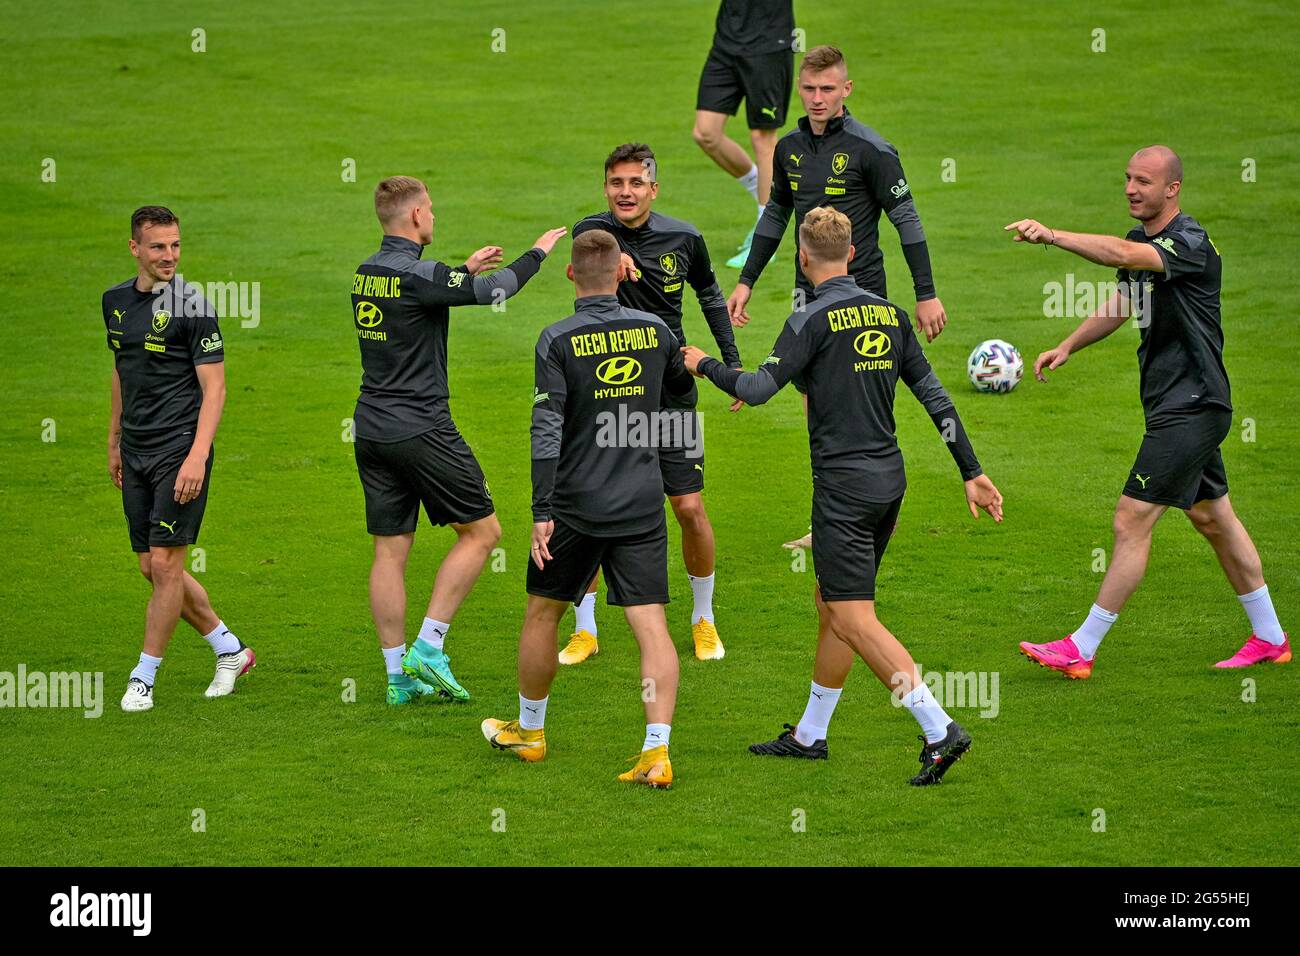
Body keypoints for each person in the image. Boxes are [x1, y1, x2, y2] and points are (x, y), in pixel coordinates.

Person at [683, 206, 1004, 785]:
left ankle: (939, 729)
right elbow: (936, 399)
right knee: (831, 603)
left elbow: (757, 389)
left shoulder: (809, 319)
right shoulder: (892, 316)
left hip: (843, 490)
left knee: (854, 617)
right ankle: (810, 734)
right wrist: (971, 471)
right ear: (852, 253)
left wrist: (703, 363)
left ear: (803, 259)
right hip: (888, 483)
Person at [1011, 146, 1289, 677]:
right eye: (1127, 179)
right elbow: (1126, 300)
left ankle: (1081, 647)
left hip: (1194, 404)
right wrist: (1070, 344)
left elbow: (1118, 256)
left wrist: (1051, 235)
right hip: (1175, 403)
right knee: (1213, 518)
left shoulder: (1189, 243)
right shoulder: (1145, 240)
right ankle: (1271, 638)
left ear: (1172, 189)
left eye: (1144, 181)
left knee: (1131, 518)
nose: (1131, 189)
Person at [482, 229, 696, 788]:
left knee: (543, 613)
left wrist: (541, 506)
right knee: (650, 625)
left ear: (571, 274)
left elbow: (546, 425)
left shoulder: (556, 339)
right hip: (642, 504)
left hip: (575, 507)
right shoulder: (657, 331)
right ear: (623, 270)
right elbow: (684, 396)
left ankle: (530, 732)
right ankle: (657, 751)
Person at [351, 175, 565, 704]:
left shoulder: (367, 273)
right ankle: (429, 644)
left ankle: (397, 678)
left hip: (371, 427)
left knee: (390, 550)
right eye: (432, 210)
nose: (435, 217)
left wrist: (459, 272)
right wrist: (537, 252)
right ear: (418, 215)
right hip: (421, 428)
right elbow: (498, 290)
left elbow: (420, 292)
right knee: (483, 533)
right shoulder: (420, 275)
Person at [567, 143, 741, 664]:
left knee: (687, 505)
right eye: (617, 183)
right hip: (606, 392)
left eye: (636, 183)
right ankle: (585, 629)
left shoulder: (684, 238)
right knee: (589, 508)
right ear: (606, 187)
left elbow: (711, 297)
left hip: (668, 392)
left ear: (653, 189)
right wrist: (607, 250)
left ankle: (703, 617)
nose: (626, 192)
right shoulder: (590, 233)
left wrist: (729, 367)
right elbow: (584, 243)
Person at [106, 205, 253, 712]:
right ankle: (229, 649)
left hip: (179, 452)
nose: (169, 256)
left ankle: (143, 678)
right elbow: (123, 371)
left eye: (175, 245)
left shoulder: (192, 305)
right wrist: (113, 440)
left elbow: (215, 389)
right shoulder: (115, 303)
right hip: (137, 450)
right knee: (151, 567)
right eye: (158, 247)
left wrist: (197, 456)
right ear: (135, 248)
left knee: (168, 564)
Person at [728, 44, 948, 345]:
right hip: (805, 291)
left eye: (827, 89)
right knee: (809, 387)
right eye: (809, 89)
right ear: (799, 88)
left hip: (863, 288)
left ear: (847, 88)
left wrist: (926, 295)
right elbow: (776, 215)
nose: (817, 99)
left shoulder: (872, 150)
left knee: (860, 383)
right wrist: (746, 282)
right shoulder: (788, 148)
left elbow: (907, 220)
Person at [692, 0, 797, 267]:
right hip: (727, 42)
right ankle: (757, 187)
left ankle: (766, 235)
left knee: (763, 138)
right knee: (706, 132)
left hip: (769, 45)